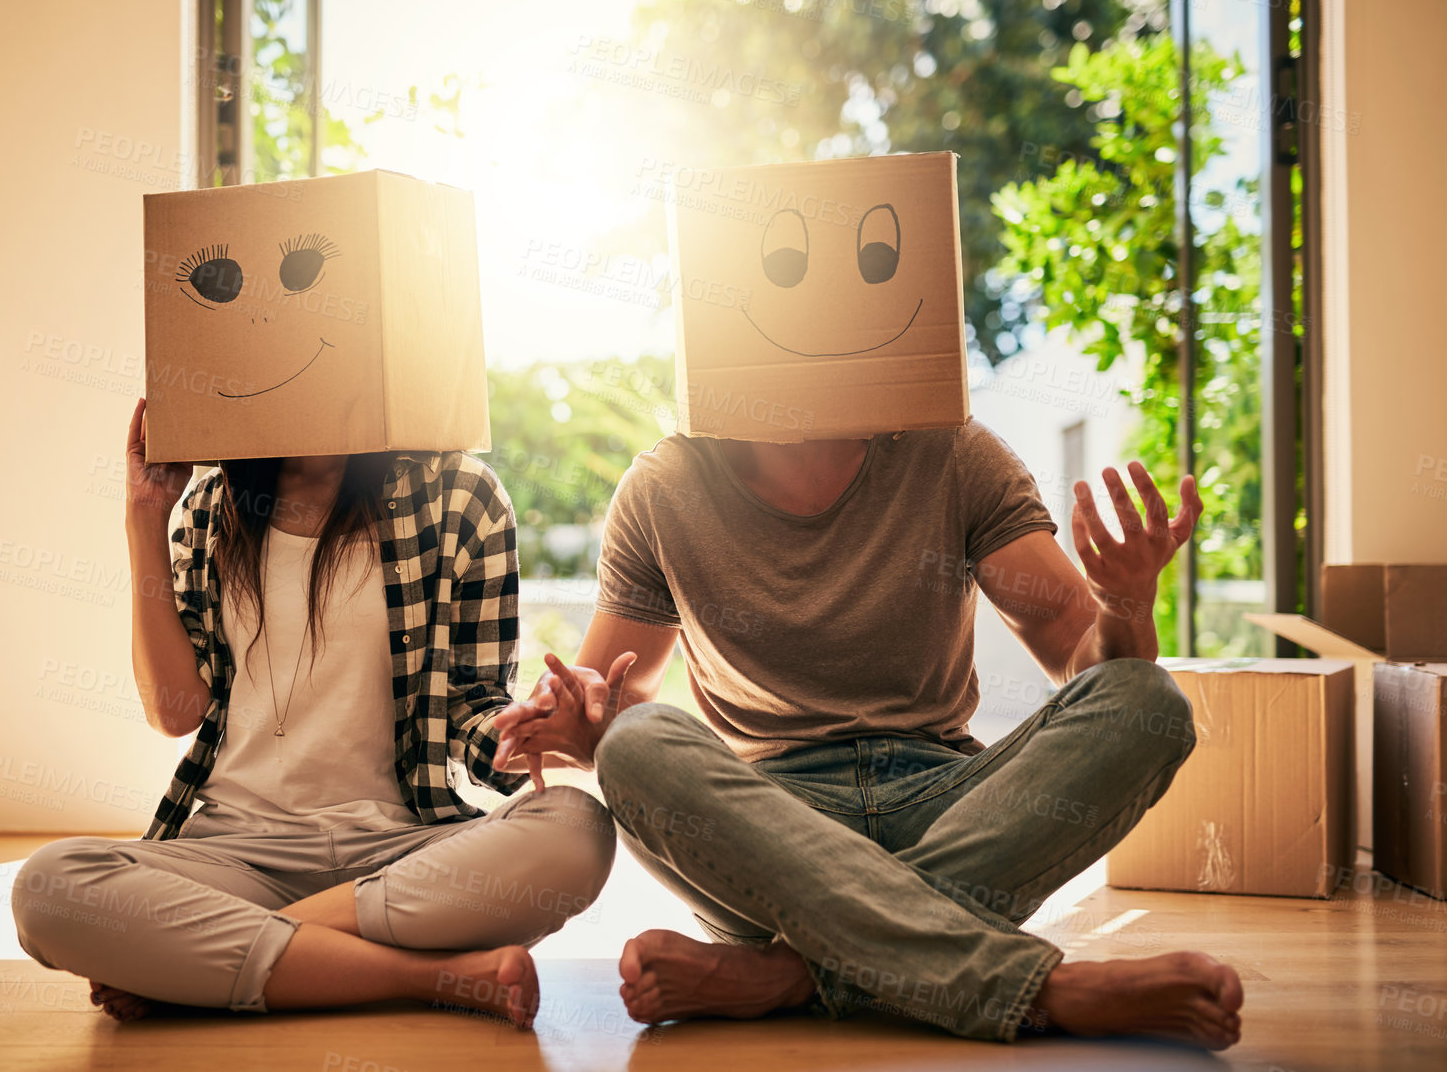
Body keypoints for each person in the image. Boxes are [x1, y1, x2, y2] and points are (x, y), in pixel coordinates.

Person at [492, 423, 1246, 1049]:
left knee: (1144, 696)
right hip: (767, 829)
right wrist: (574, 728)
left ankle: (790, 975)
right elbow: (602, 710)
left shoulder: (952, 452)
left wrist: (1121, 603)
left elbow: (1091, 664)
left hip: (948, 801)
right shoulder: (664, 485)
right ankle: (1041, 986)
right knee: (636, 742)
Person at [10, 398, 615, 1027]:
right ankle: (428, 977)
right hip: (238, 855)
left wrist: (537, 729)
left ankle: (237, 958)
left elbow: (471, 705)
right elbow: (174, 710)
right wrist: (145, 514)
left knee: (578, 832)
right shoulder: (210, 507)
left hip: (403, 853)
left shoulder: (460, 496)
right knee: (48, 887)